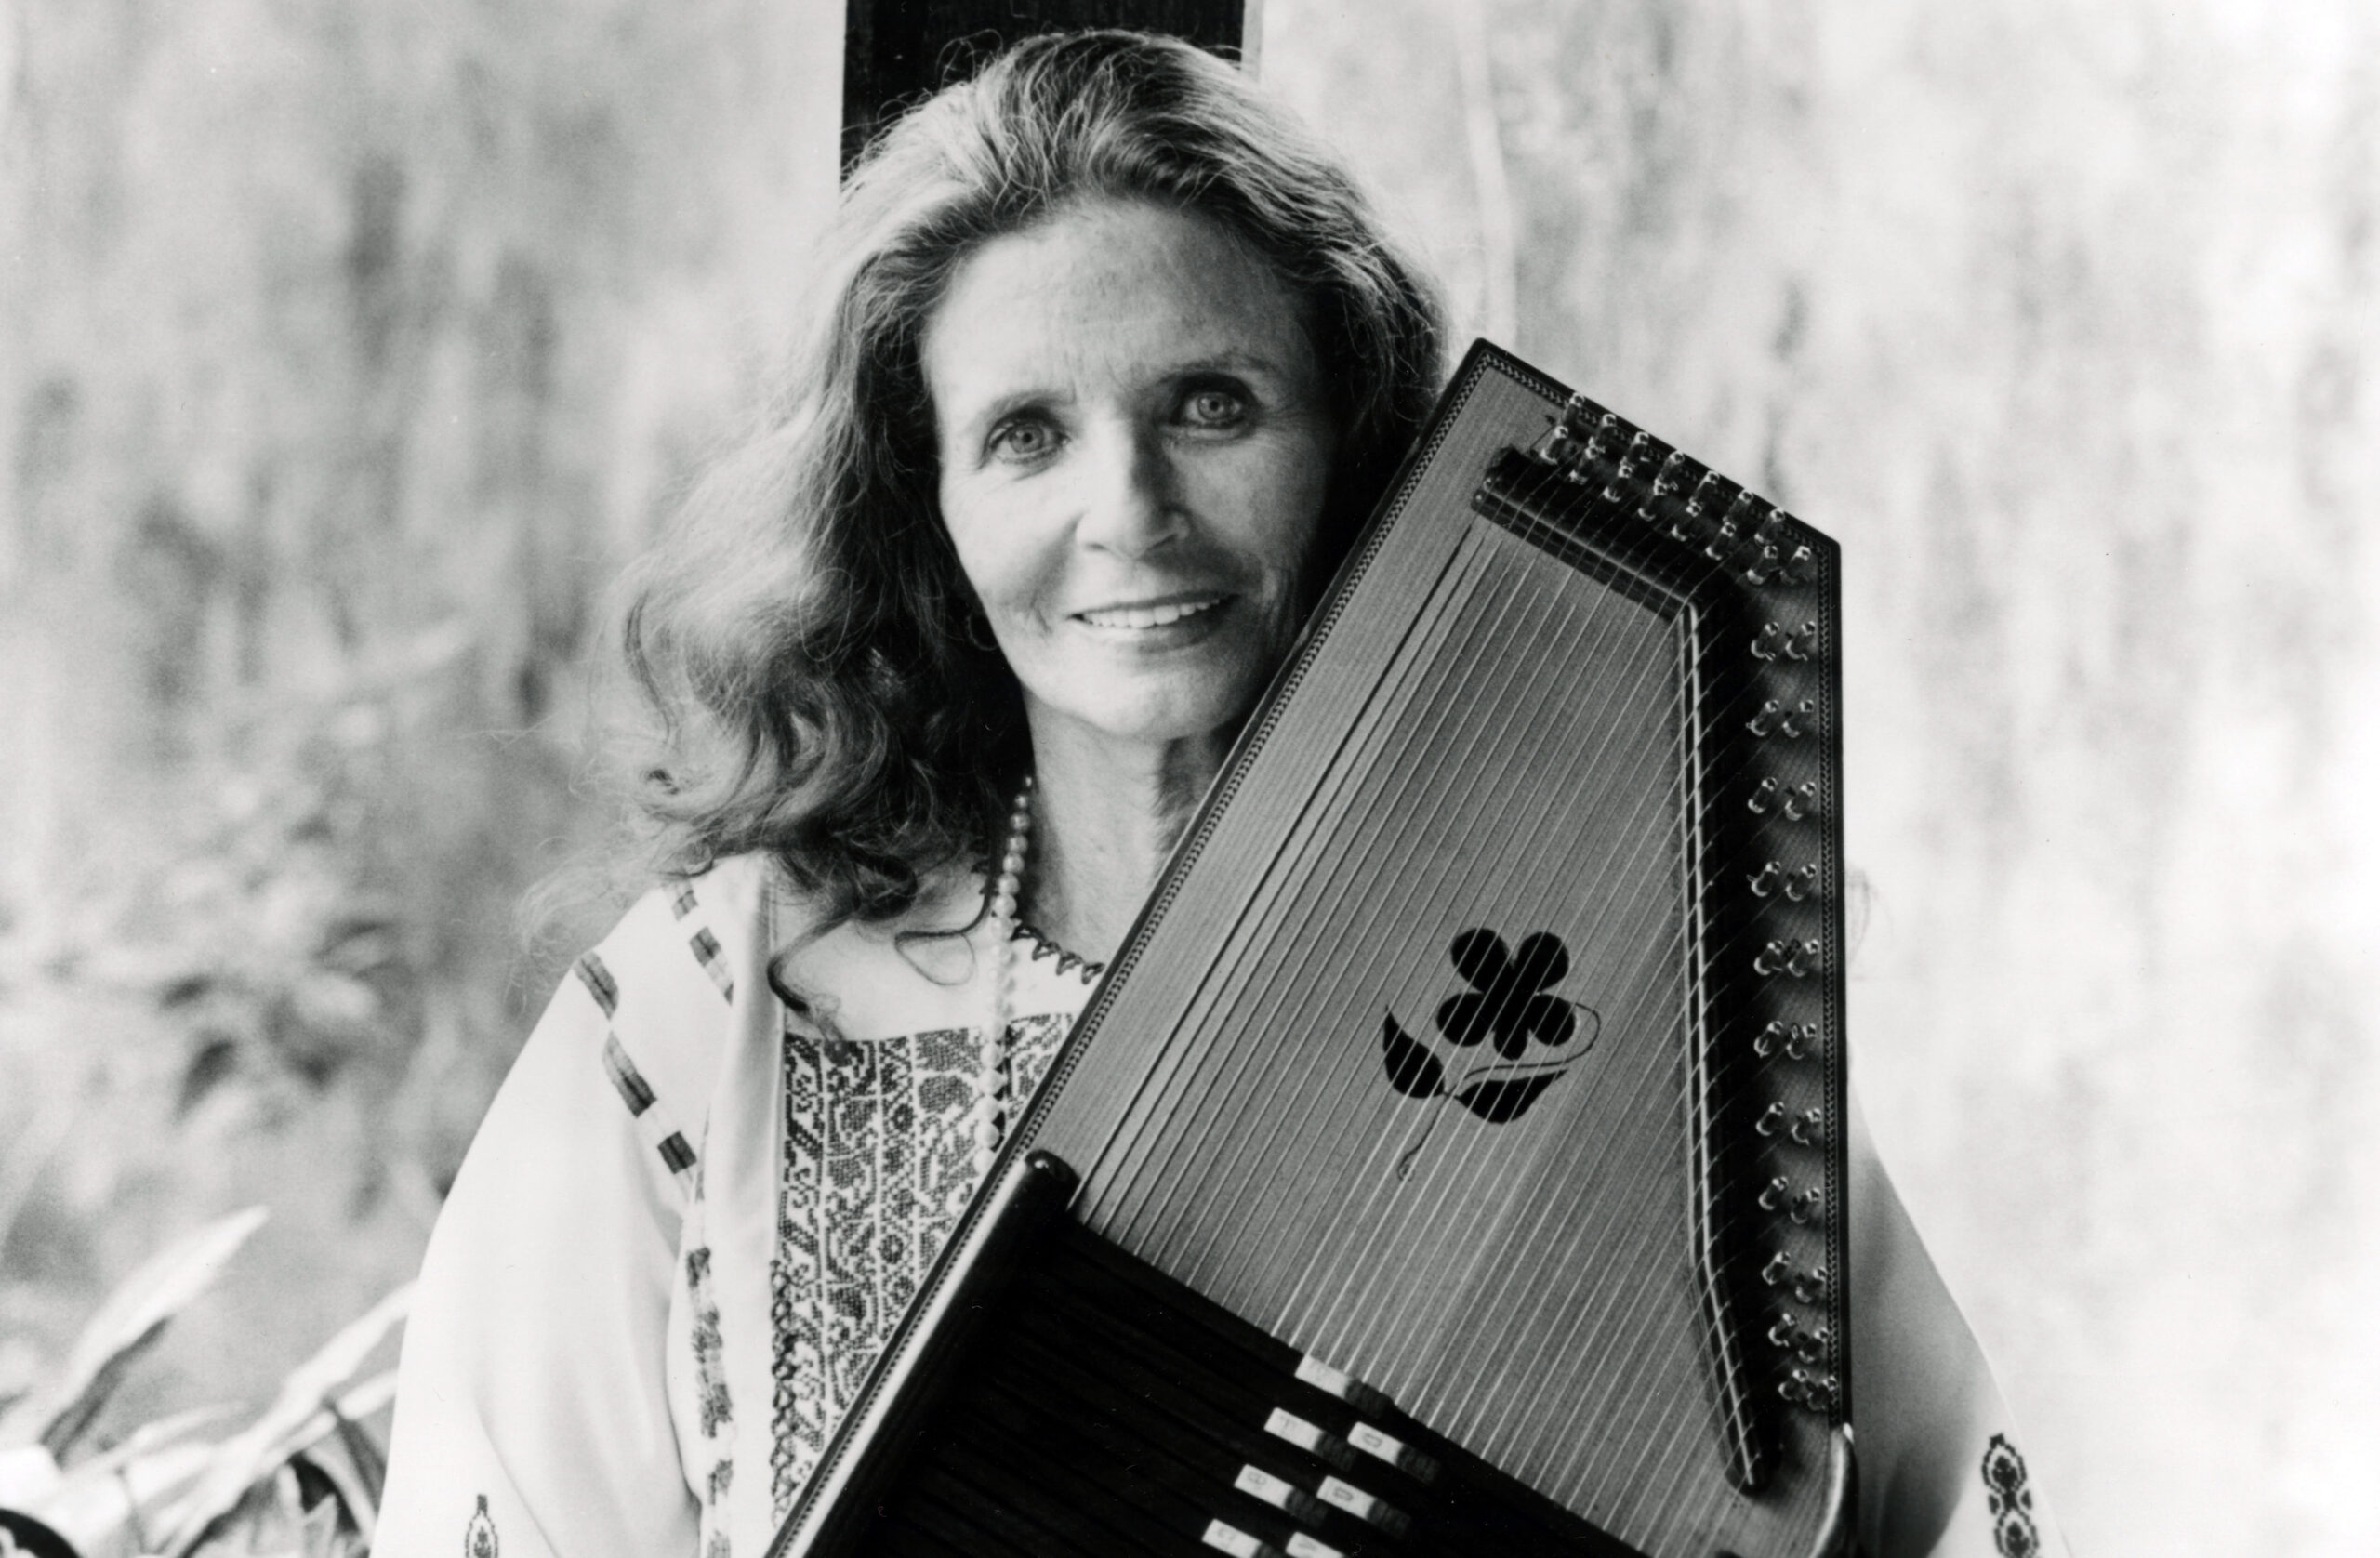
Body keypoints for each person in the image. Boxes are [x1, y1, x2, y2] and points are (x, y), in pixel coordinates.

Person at [379, 31, 2062, 1558]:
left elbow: (1930, 1508)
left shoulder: (1600, 997)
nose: (1130, 510)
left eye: (1211, 406)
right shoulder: (717, 1012)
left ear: (1349, 441)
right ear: (924, 504)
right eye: (1026, 435)